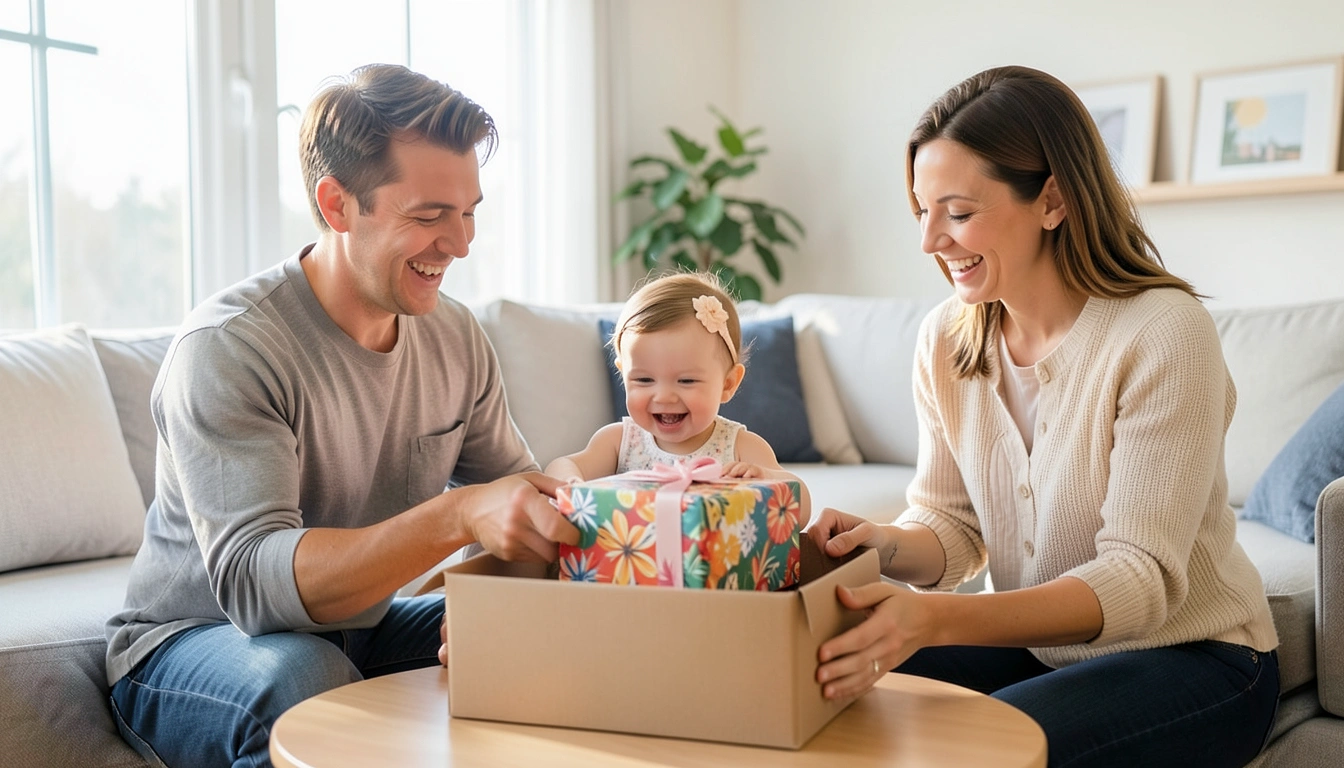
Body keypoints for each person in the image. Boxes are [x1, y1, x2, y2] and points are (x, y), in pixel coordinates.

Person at [105, 64, 577, 767]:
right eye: (428, 216)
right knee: (306, 678)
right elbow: (254, 586)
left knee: (556, 636)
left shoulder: (454, 336)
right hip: (192, 641)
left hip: (361, 624)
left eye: (469, 210)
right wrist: (458, 515)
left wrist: (514, 602)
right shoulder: (232, 347)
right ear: (336, 204)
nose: (461, 243)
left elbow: (523, 512)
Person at [808, 66, 1279, 768]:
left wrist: (933, 619)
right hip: (1039, 650)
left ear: (1053, 199)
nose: (930, 241)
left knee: (981, 747)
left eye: (958, 212)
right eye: (921, 211)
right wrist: (881, 544)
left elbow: (1138, 578)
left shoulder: (1164, 333)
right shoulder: (948, 336)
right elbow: (954, 526)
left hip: (1197, 658)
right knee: (817, 685)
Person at [546, 272, 811, 526]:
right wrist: (570, 482)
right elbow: (562, 465)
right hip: (630, 566)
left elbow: (801, 510)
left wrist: (768, 480)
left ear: (727, 384)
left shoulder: (742, 448)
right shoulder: (619, 443)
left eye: (686, 381)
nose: (663, 396)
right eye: (644, 380)